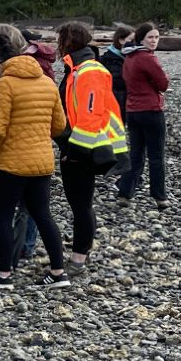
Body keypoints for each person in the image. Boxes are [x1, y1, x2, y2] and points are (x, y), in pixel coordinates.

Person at [0, 25, 68, 287]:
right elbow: (59, 126)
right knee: (43, 215)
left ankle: (4, 274)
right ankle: (58, 272)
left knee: (3, 217)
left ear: (0, 62)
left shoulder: (6, 84)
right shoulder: (46, 82)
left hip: (10, 163)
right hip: (41, 162)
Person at [56, 21, 127, 273]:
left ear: (67, 41)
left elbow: (90, 115)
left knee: (81, 204)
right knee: (80, 204)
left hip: (85, 149)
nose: (57, 45)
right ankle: (81, 253)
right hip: (81, 145)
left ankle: (78, 258)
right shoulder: (77, 69)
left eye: (60, 39)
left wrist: (74, 153)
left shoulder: (89, 71)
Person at [117, 21, 171, 208]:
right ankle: (160, 196)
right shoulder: (148, 58)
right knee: (156, 156)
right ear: (141, 38)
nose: (154, 41)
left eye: (156, 37)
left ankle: (125, 193)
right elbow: (163, 83)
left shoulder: (129, 57)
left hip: (133, 110)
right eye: (150, 37)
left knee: (136, 154)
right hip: (151, 110)